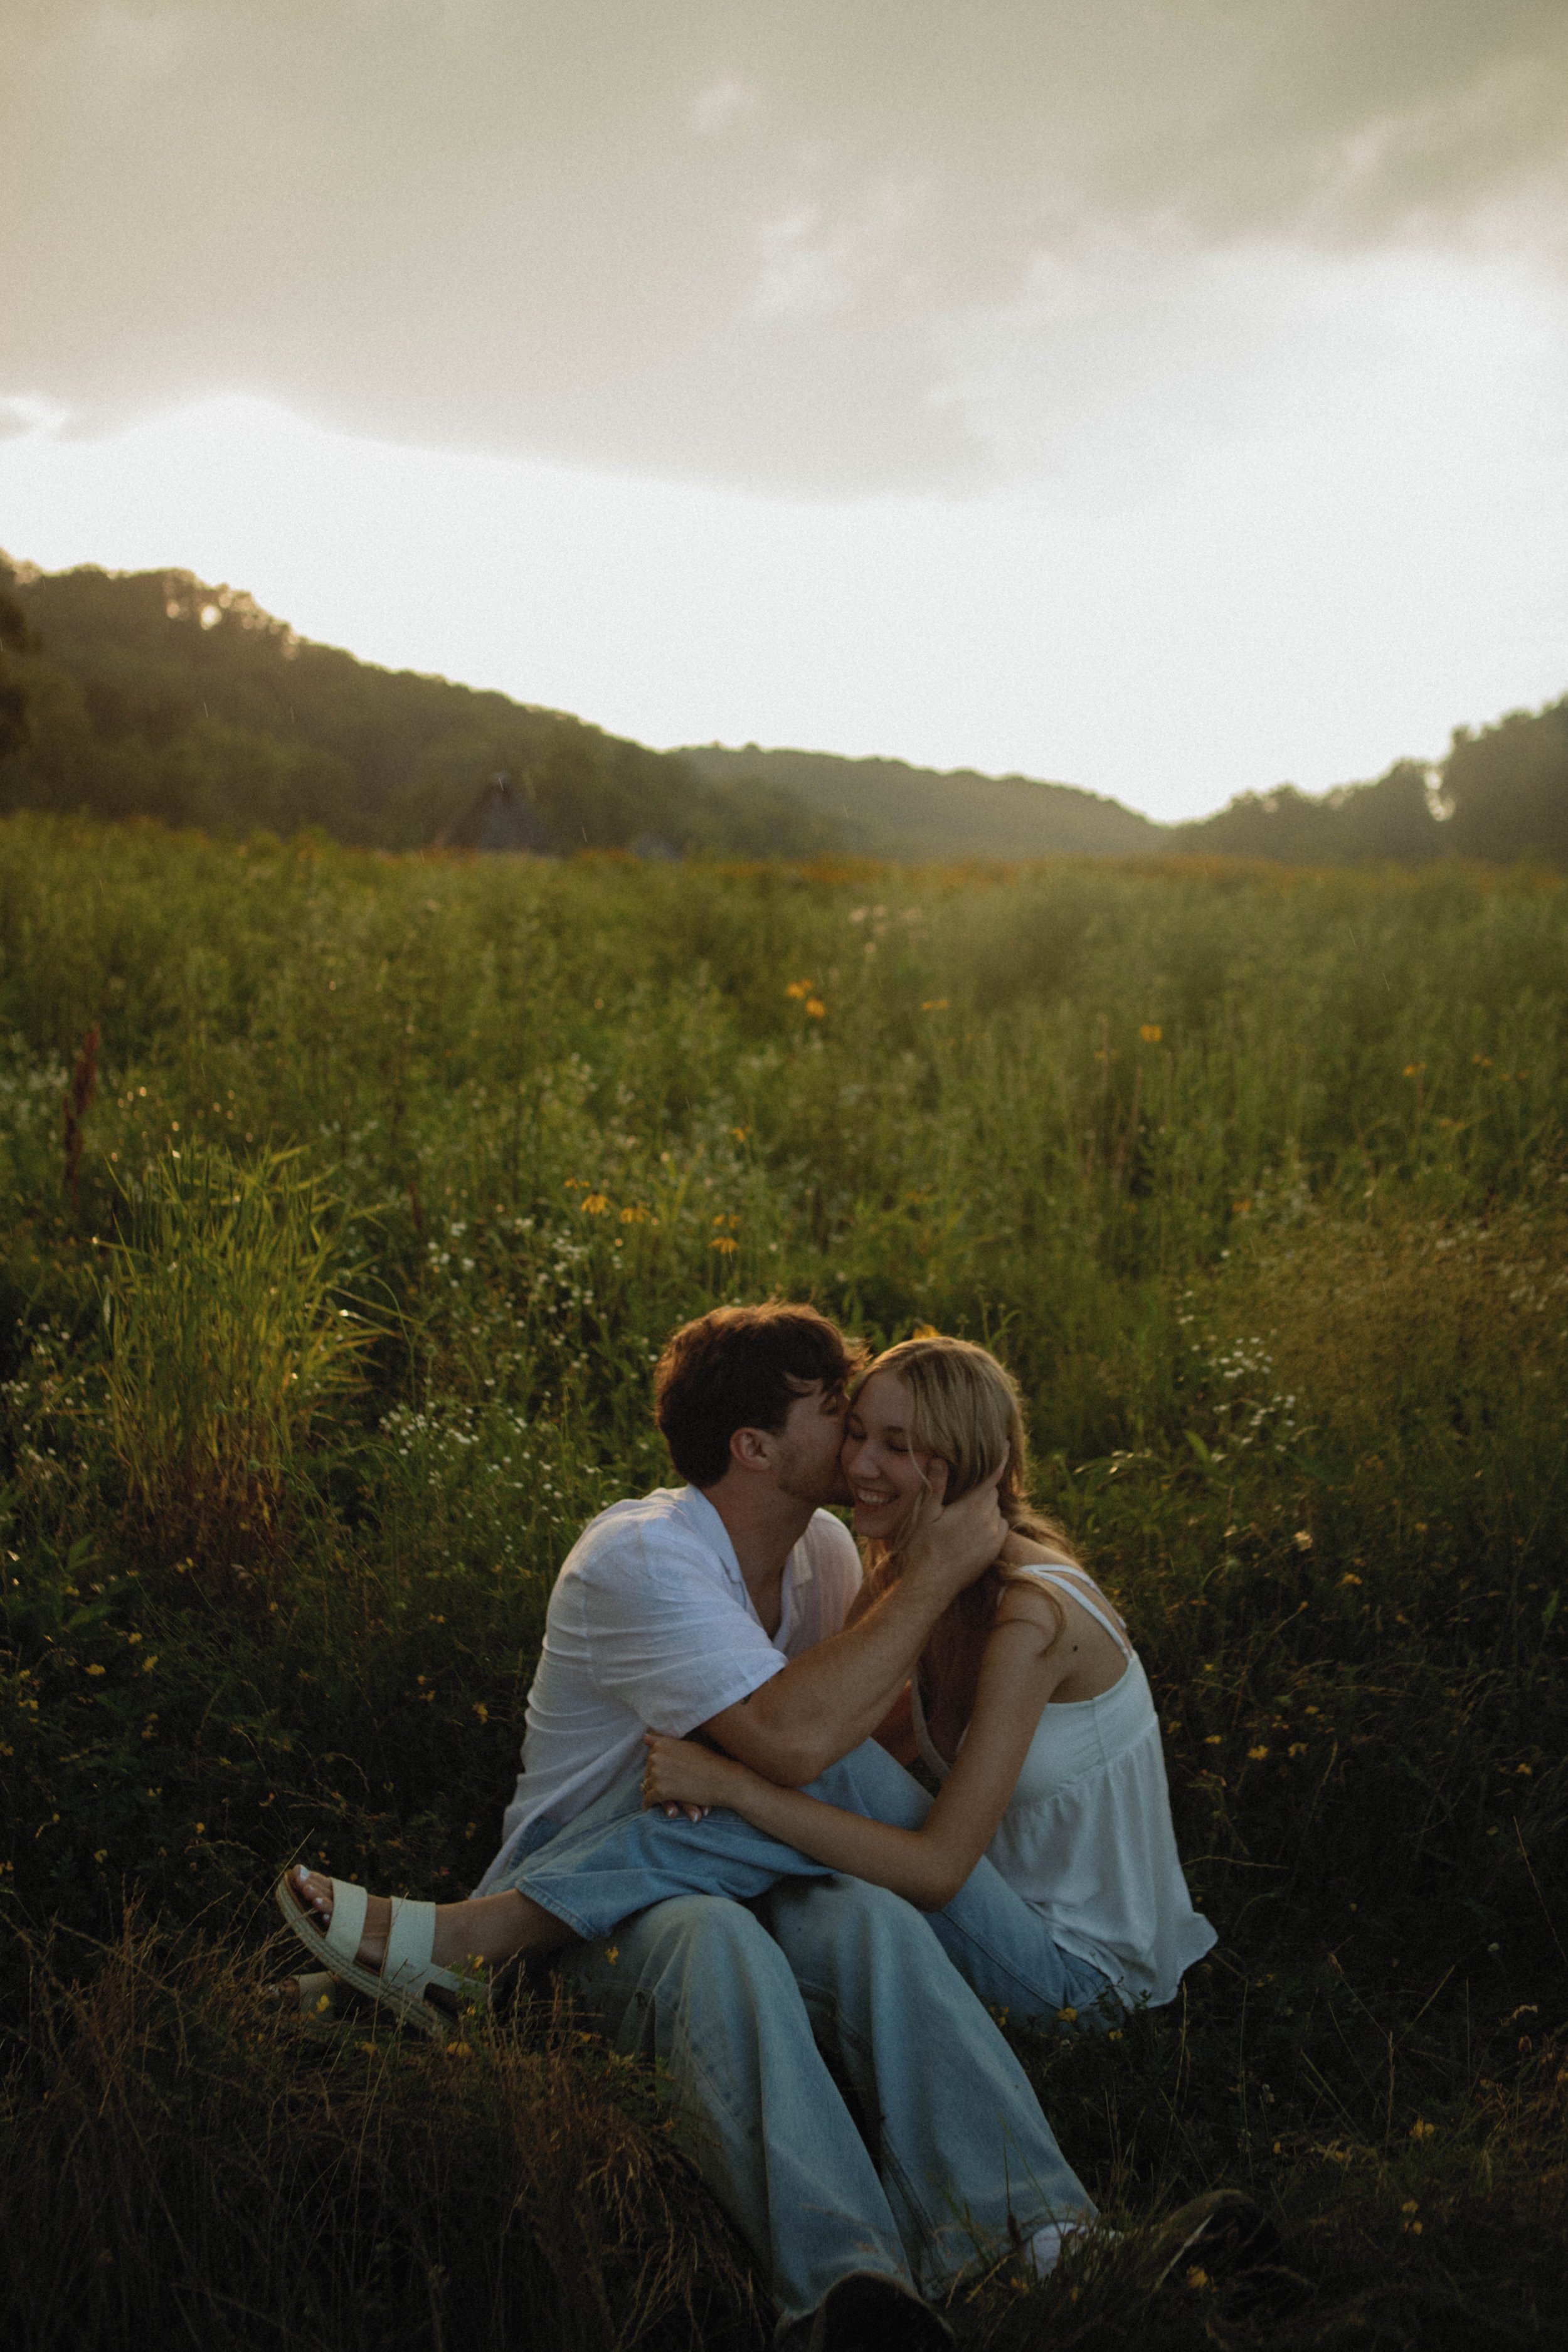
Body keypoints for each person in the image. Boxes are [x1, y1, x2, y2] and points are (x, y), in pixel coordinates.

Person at [277, 1304, 1099, 2351]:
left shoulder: (827, 1558)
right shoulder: (641, 1558)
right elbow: (797, 1750)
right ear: (754, 1446)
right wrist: (940, 1569)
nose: (857, 1434)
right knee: (718, 1941)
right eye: (836, 1409)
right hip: (600, 1912)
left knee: (872, 1922)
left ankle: (1040, 2238)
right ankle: (849, 2290)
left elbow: (843, 1765)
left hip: (753, 1875)